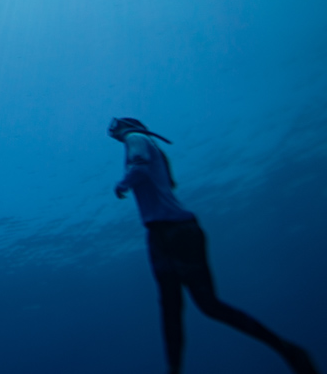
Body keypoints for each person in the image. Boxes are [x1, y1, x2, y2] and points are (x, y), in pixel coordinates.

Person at [109, 117, 319, 374]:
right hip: (171, 231)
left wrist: (122, 184)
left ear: (127, 125)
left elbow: (140, 165)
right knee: (201, 306)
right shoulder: (153, 146)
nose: (112, 128)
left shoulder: (135, 137)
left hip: (171, 233)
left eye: (116, 123)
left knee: (173, 307)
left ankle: (175, 368)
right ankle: (288, 351)